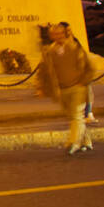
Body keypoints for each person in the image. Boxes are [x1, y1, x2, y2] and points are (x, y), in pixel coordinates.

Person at [36, 23, 93, 154]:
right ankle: (86, 141)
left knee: (77, 115)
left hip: (77, 87)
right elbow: (43, 70)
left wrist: (83, 82)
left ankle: (74, 143)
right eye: (55, 34)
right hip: (61, 89)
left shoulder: (75, 48)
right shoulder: (49, 51)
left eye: (60, 33)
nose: (58, 36)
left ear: (65, 34)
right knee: (72, 116)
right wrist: (40, 87)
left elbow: (89, 67)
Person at [59, 22, 97, 123]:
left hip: (81, 71)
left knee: (88, 93)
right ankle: (78, 115)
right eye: (67, 30)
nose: (69, 32)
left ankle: (88, 113)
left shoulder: (74, 40)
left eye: (69, 30)